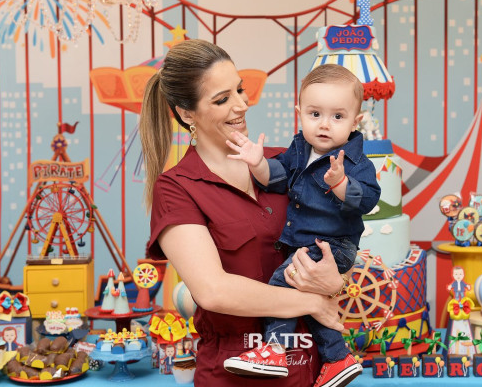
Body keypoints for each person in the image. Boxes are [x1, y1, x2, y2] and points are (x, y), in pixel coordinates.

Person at [140, 39, 348, 386]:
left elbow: (336, 243)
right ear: (187, 114)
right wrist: (311, 302)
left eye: (239, 89)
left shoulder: (289, 163)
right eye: (222, 99)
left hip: (313, 369)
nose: (241, 104)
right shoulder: (176, 189)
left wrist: (337, 283)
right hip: (233, 374)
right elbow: (213, 291)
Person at [223, 64, 381, 387]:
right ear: (300, 114)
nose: (324, 124)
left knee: (283, 282)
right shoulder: (298, 149)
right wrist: (258, 163)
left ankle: (274, 350)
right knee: (310, 302)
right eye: (315, 114)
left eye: (338, 116)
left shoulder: (354, 162)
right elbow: (277, 179)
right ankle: (337, 360)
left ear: (356, 121)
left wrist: (340, 184)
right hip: (307, 244)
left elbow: (368, 199)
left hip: (333, 246)